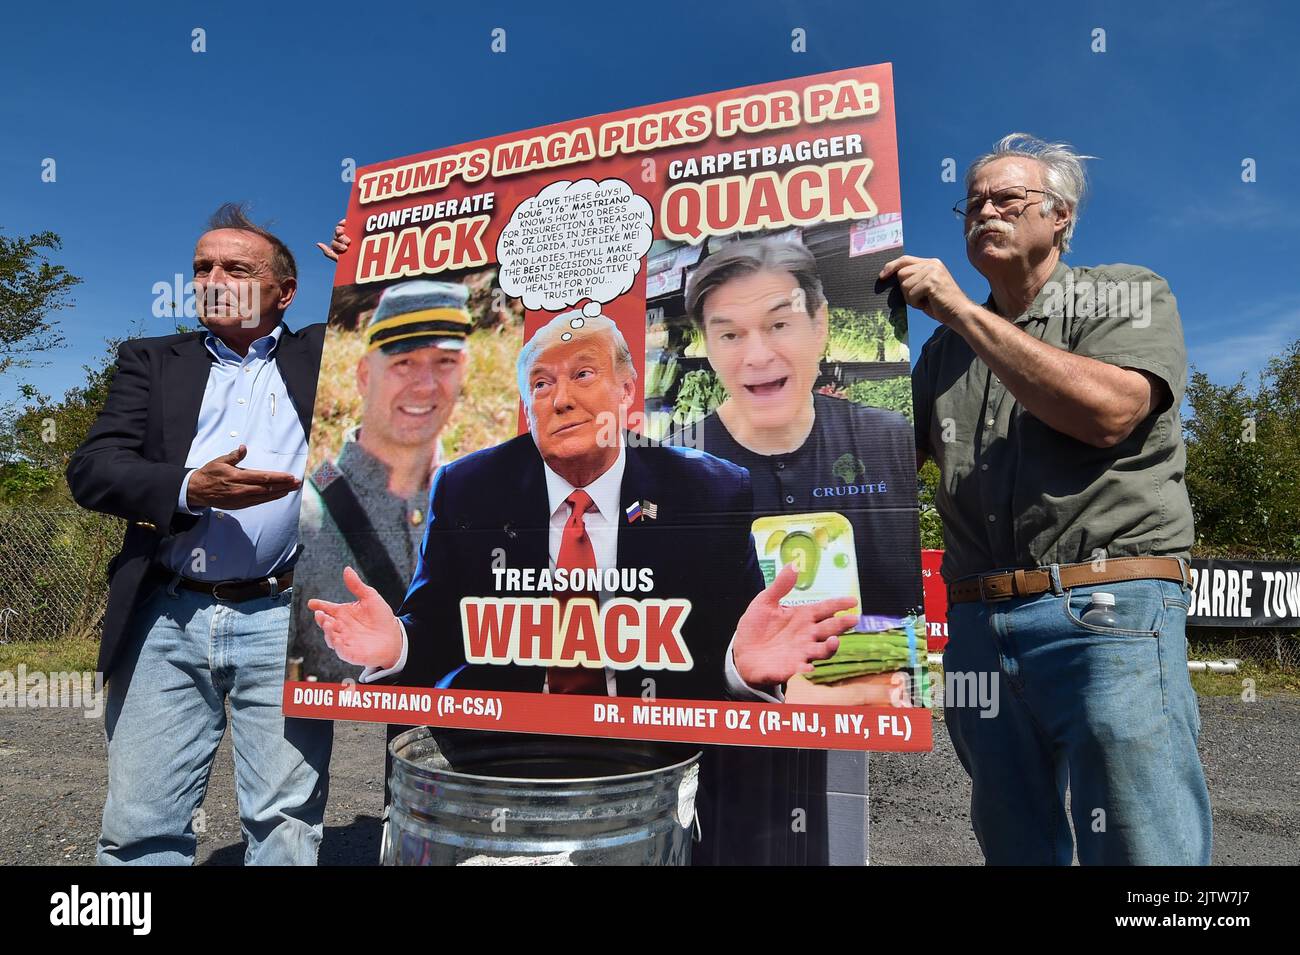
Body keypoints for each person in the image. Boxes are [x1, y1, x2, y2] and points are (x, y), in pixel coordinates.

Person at [893, 132, 1211, 865]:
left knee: (1142, 844)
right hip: (975, 618)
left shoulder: (1126, 293)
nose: (985, 213)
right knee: (1014, 841)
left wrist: (961, 313)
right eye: (972, 203)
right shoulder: (939, 357)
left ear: (1060, 218)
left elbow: (1110, 413)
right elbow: (883, 472)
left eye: (1007, 199)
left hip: (1107, 607)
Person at [308, 309, 855, 700]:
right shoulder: (467, 487)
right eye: (542, 384)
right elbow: (439, 630)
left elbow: (728, 639)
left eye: (584, 375)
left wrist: (741, 668)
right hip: (507, 750)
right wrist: (396, 644)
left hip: (651, 750)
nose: (562, 398)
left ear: (626, 391)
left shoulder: (710, 490)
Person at [67, 203, 331, 865]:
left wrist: (374, 267)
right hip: (168, 611)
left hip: (286, 615)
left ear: (284, 292)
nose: (212, 278)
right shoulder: (151, 361)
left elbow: (413, 345)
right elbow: (93, 469)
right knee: (141, 824)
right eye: (202, 266)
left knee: (286, 822)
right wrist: (189, 487)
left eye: (236, 267)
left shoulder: (322, 353)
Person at [668, 236, 922, 865]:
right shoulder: (671, 467)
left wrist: (842, 687)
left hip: (841, 757)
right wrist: (752, 680)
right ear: (705, 343)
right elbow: (654, 635)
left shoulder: (890, 443)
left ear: (821, 325)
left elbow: (909, 652)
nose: (756, 355)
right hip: (710, 758)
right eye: (728, 334)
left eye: (779, 323)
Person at [291, 280, 470, 684]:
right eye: (402, 362)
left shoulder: (483, 501)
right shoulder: (306, 513)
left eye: (444, 362)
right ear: (363, 375)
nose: (425, 385)